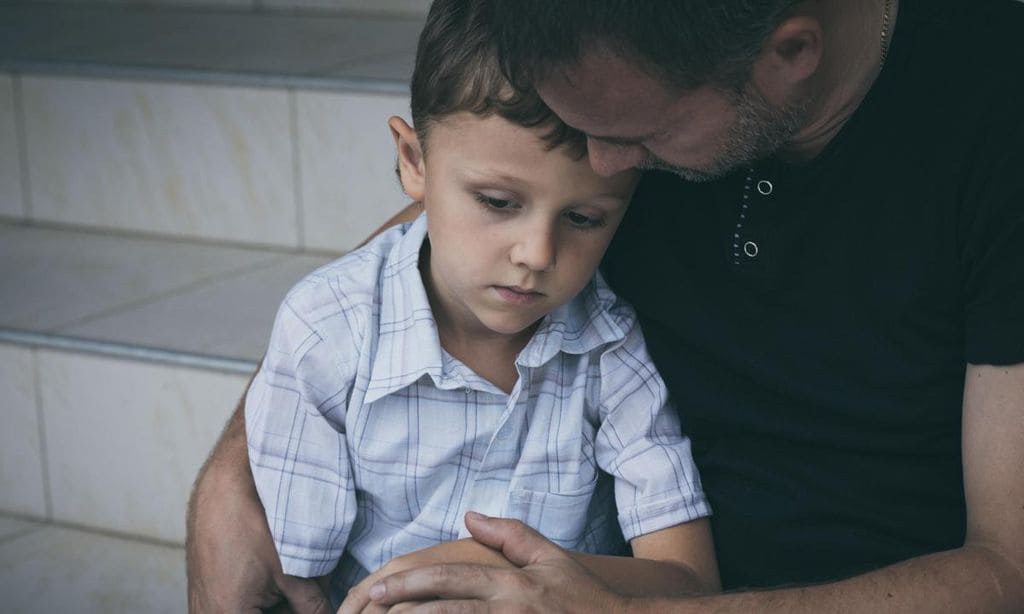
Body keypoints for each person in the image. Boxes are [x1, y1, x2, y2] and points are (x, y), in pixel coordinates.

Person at [189, 0, 1024, 612]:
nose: (599, 161)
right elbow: (439, 222)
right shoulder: (604, 62)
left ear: (790, 53)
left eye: (635, 138)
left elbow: (1009, 570)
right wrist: (239, 463)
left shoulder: (995, 122)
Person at [193, 1, 722, 611]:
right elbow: (300, 585)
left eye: (584, 218)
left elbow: (688, 583)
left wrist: (520, 573)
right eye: (498, 202)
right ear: (414, 162)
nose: (537, 253)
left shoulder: (612, 350)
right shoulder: (327, 330)